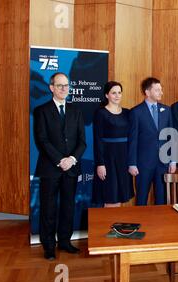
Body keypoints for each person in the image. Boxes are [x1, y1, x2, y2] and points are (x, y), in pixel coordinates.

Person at [33, 72, 86, 260]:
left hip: (71, 168)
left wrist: (71, 159)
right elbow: (42, 140)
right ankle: (48, 246)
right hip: (50, 168)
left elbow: (82, 141)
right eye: (60, 85)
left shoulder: (76, 111)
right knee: (48, 208)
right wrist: (60, 160)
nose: (64, 88)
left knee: (68, 207)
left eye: (66, 85)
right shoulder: (41, 111)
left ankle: (65, 241)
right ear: (51, 88)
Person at [128, 77, 176, 205]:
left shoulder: (167, 110)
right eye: (157, 90)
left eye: (161, 89)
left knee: (162, 199)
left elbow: (171, 136)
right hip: (143, 164)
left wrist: (173, 160)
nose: (161, 92)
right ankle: (139, 224)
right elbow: (133, 140)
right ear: (147, 92)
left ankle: (160, 225)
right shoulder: (136, 112)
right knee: (142, 198)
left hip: (163, 163)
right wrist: (132, 163)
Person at [92, 81, 134, 207]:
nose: (117, 95)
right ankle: (108, 226)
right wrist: (100, 164)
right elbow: (97, 140)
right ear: (106, 95)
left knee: (121, 197)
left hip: (124, 159)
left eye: (119, 93)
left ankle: (117, 226)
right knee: (110, 197)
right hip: (108, 160)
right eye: (113, 93)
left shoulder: (127, 112)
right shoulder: (101, 113)